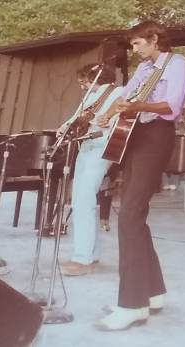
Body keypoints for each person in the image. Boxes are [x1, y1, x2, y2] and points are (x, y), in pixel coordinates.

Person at [96, 20, 185, 330]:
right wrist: (108, 111)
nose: (134, 50)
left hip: (157, 135)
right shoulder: (145, 68)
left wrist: (134, 105)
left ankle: (132, 304)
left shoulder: (176, 63)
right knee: (133, 214)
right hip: (135, 135)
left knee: (129, 216)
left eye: (138, 44)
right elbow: (127, 94)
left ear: (153, 39)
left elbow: (171, 106)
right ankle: (152, 292)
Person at [59, 64, 123, 276]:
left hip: (102, 148)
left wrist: (101, 120)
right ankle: (90, 254)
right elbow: (78, 117)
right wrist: (65, 127)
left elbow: (116, 119)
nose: (83, 85)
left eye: (85, 81)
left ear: (97, 77)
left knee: (85, 196)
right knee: (79, 199)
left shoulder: (118, 92)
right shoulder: (90, 98)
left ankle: (83, 258)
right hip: (85, 147)